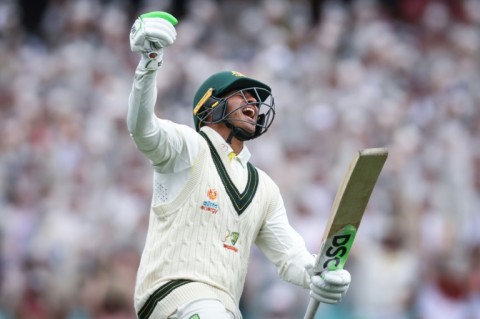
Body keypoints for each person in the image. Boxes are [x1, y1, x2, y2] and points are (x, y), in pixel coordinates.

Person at [127, 11, 351, 319]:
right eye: (241, 95)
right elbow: (143, 129)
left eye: (256, 99)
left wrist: (318, 273)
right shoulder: (188, 148)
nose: (254, 104)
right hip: (174, 295)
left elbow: (290, 256)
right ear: (211, 105)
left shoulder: (264, 188)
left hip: (225, 308)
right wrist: (149, 62)